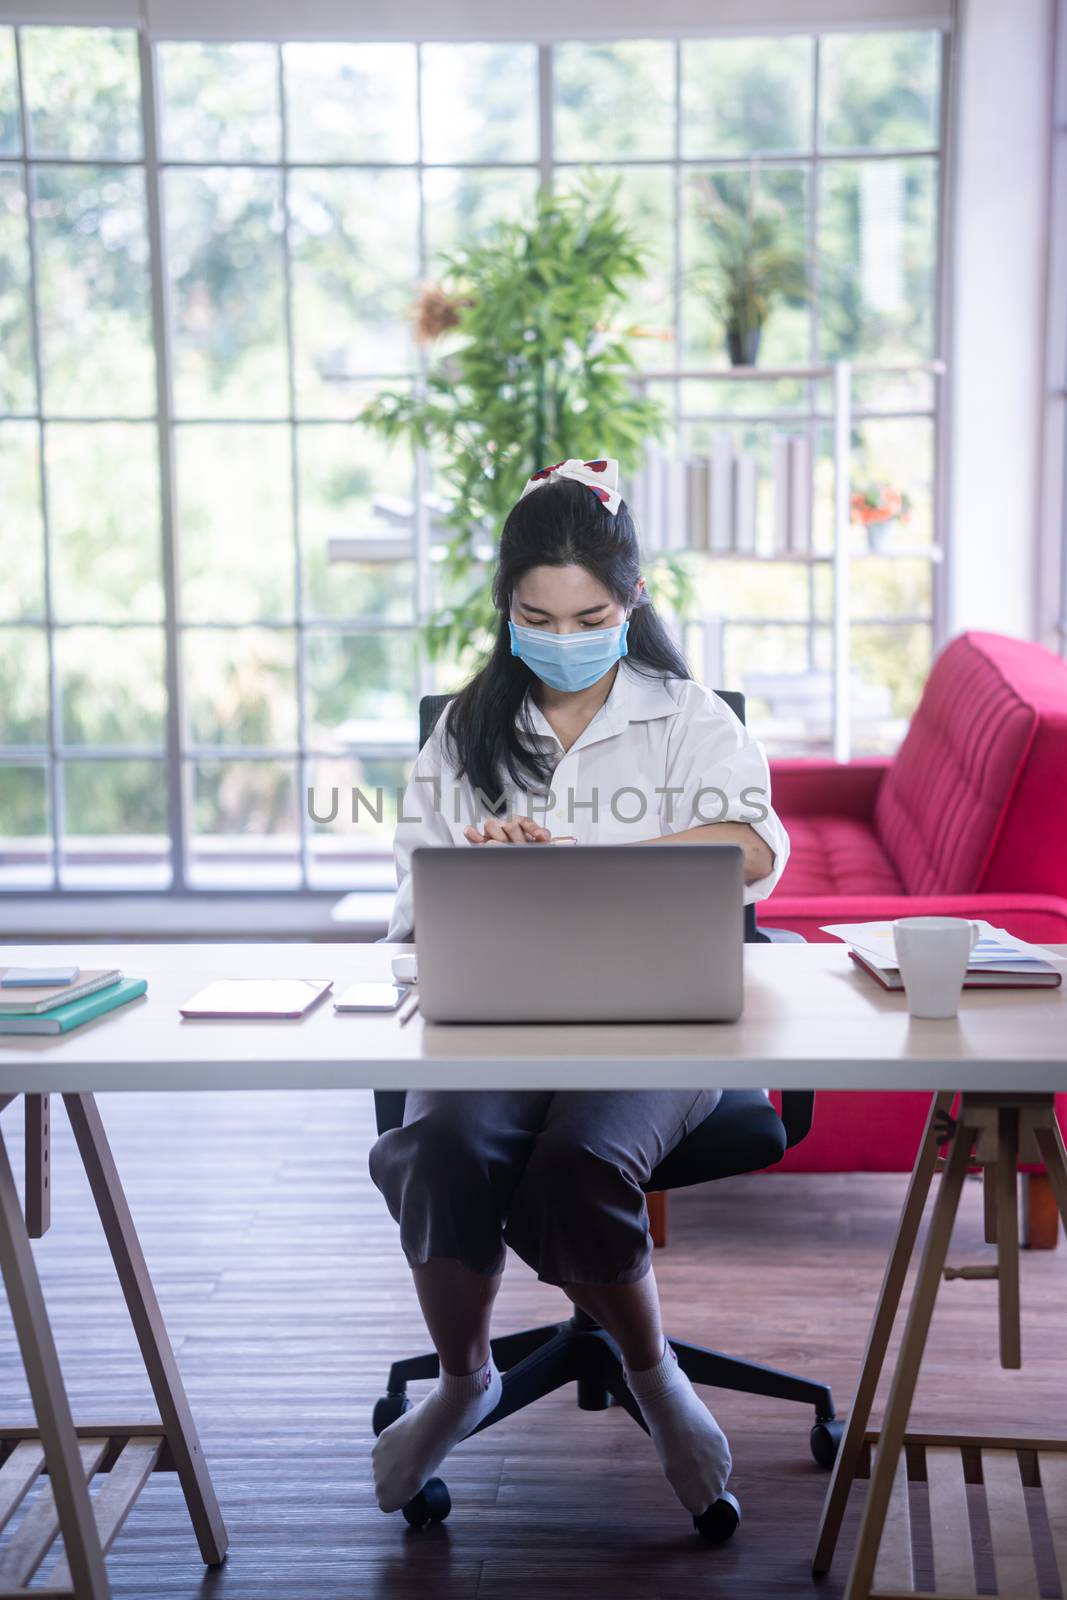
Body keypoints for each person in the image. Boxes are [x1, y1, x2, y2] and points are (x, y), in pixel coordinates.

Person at [368, 455, 790, 1522]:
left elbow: (753, 844)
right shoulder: (467, 729)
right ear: (506, 608)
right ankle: (465, 1381)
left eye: (586, 613)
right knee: (439, 1148)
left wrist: (608, 851)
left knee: (580, 1162)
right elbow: (412, 902)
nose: (561, 635)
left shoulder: (687, 715)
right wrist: (482, 856)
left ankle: (656, 1377)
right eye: (536, 614)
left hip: (662, 1026)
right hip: (494, 1022)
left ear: (631, 602)